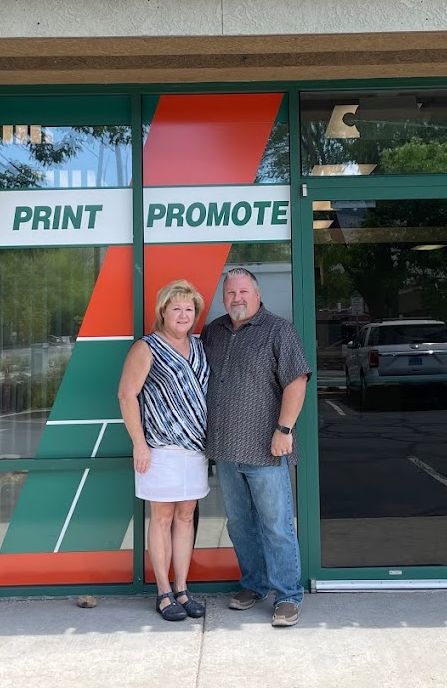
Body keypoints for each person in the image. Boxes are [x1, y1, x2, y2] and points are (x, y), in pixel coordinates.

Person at [201, 267, 311, 628]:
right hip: (225, 450)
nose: (237, 298)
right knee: (239, 524)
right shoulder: (213, 332)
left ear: (258, 295)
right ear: (223, 298)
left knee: (276, 525)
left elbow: (296, 381)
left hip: (266, 449)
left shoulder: (278, 330)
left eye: (243, 292)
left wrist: (284, 429)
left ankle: (288, 595)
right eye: (231, 293)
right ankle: (254, 584)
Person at [118, 279, 210, 621]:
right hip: (160, 449)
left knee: (186, 516)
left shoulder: (199, 346)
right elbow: (126, 395)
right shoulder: (147, 347)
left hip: (195, 449)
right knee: (162, 517)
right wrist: (139, 444)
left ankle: (183, 589)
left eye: (189, 309)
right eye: (176, 309)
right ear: (163, 312)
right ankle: (163, 593)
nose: (183, 315)